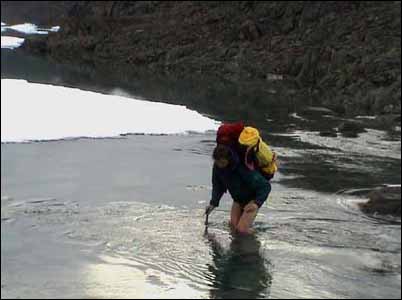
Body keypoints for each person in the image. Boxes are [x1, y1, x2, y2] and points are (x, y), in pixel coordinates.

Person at [205, 144, 271, 234]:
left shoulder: (241, 167)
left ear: (229, 160)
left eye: (223, 163)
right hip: (238, 199)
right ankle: (240, 242)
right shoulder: (217, 168)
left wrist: (256, 203)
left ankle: (255, 239)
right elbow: (217, 186)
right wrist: (213, 204)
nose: (220, 165)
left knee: (242, 230)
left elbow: (265, 186)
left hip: (253, 198)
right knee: (233, 227)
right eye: (217, 162)